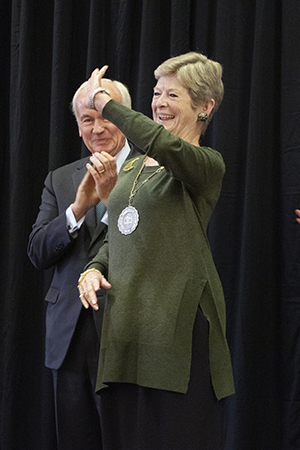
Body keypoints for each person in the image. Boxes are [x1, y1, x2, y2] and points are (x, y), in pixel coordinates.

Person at [78, 52, 235, 450]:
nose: (159, 103)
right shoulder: (129, 170)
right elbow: (117, 235)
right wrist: (92, 269)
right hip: (125, 331)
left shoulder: (205, 164)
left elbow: (159, 141)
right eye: (156, 92)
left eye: (173, 95)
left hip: (175, 334)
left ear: (205, 107)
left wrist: (103, 102)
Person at [27, 76, 140, 450]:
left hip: (129, 332)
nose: (97, 128)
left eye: (105, 116)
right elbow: (38, 252)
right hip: (70, 336)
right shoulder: (61, 179)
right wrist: (77, 210)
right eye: (87, 119)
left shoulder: (152, 172)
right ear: (78, 127)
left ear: (123, 117)